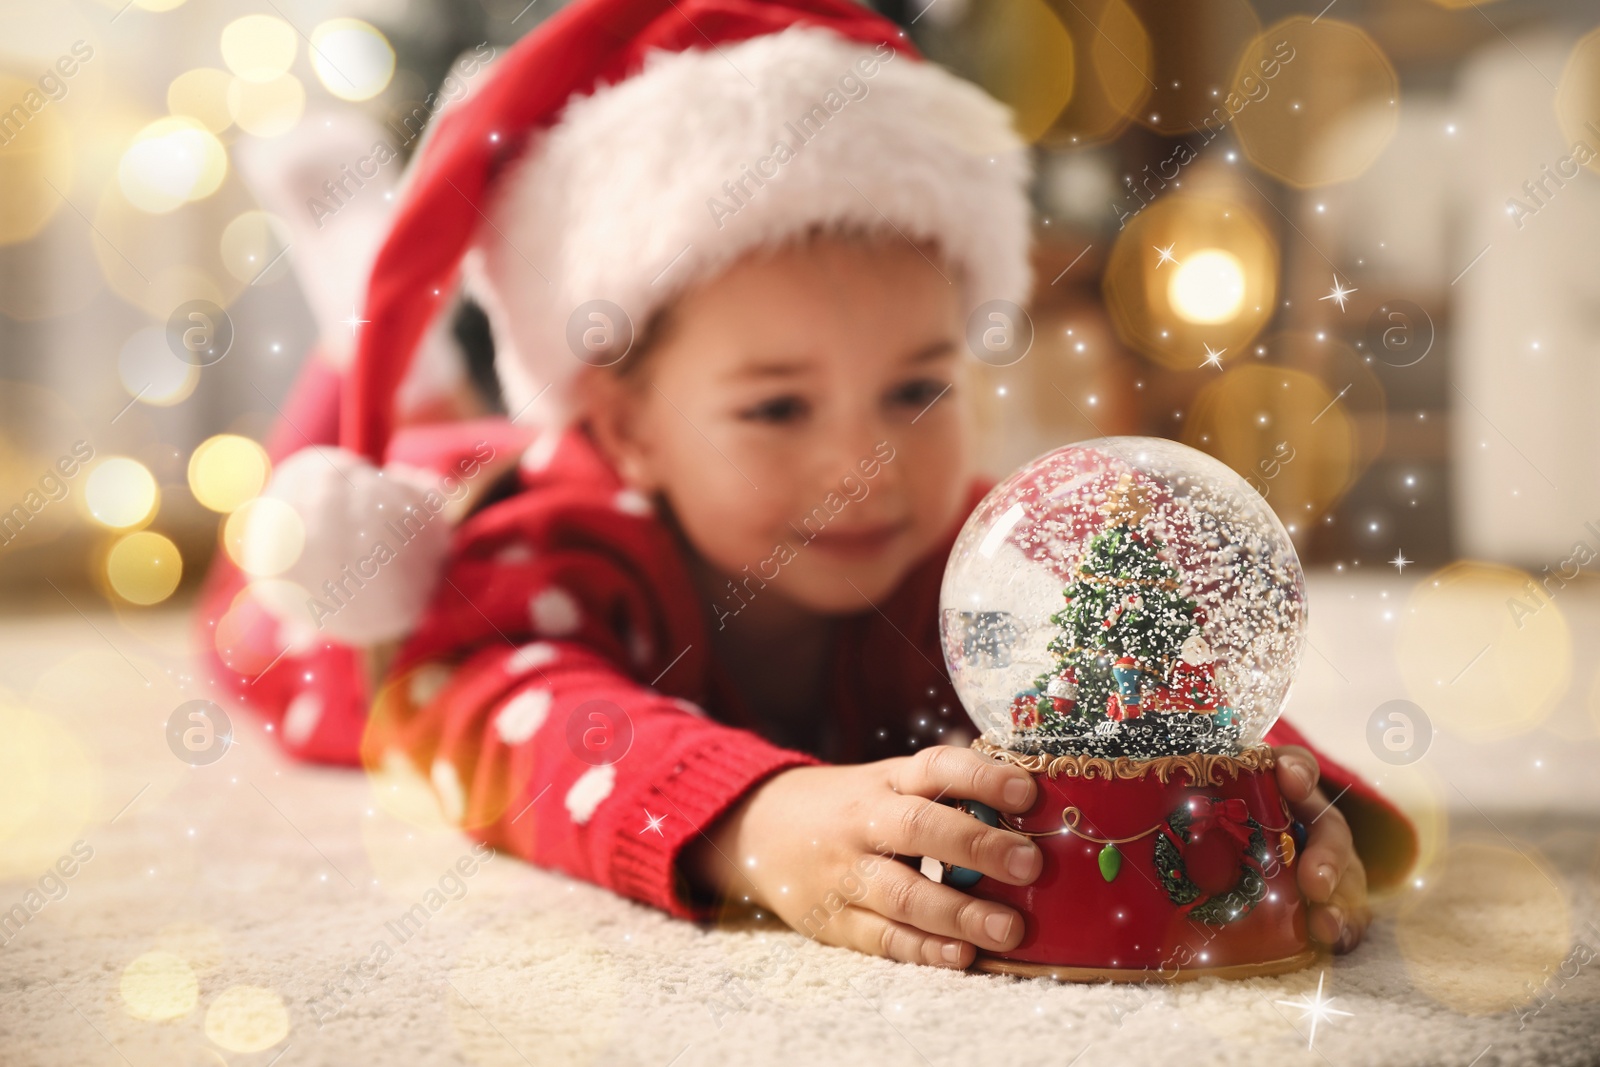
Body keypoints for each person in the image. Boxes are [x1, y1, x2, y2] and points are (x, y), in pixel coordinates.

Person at [197, 0, 1415, 971]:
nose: (866, 465)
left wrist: (1281, 798)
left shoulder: (965, 556)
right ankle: (363, 317)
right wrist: (758, 820)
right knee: (351, 521)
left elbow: (1131, 668)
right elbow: (518, 721)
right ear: (626, 429)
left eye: (916, 390)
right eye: (777, 405)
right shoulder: (554, 556)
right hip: (396, 577)